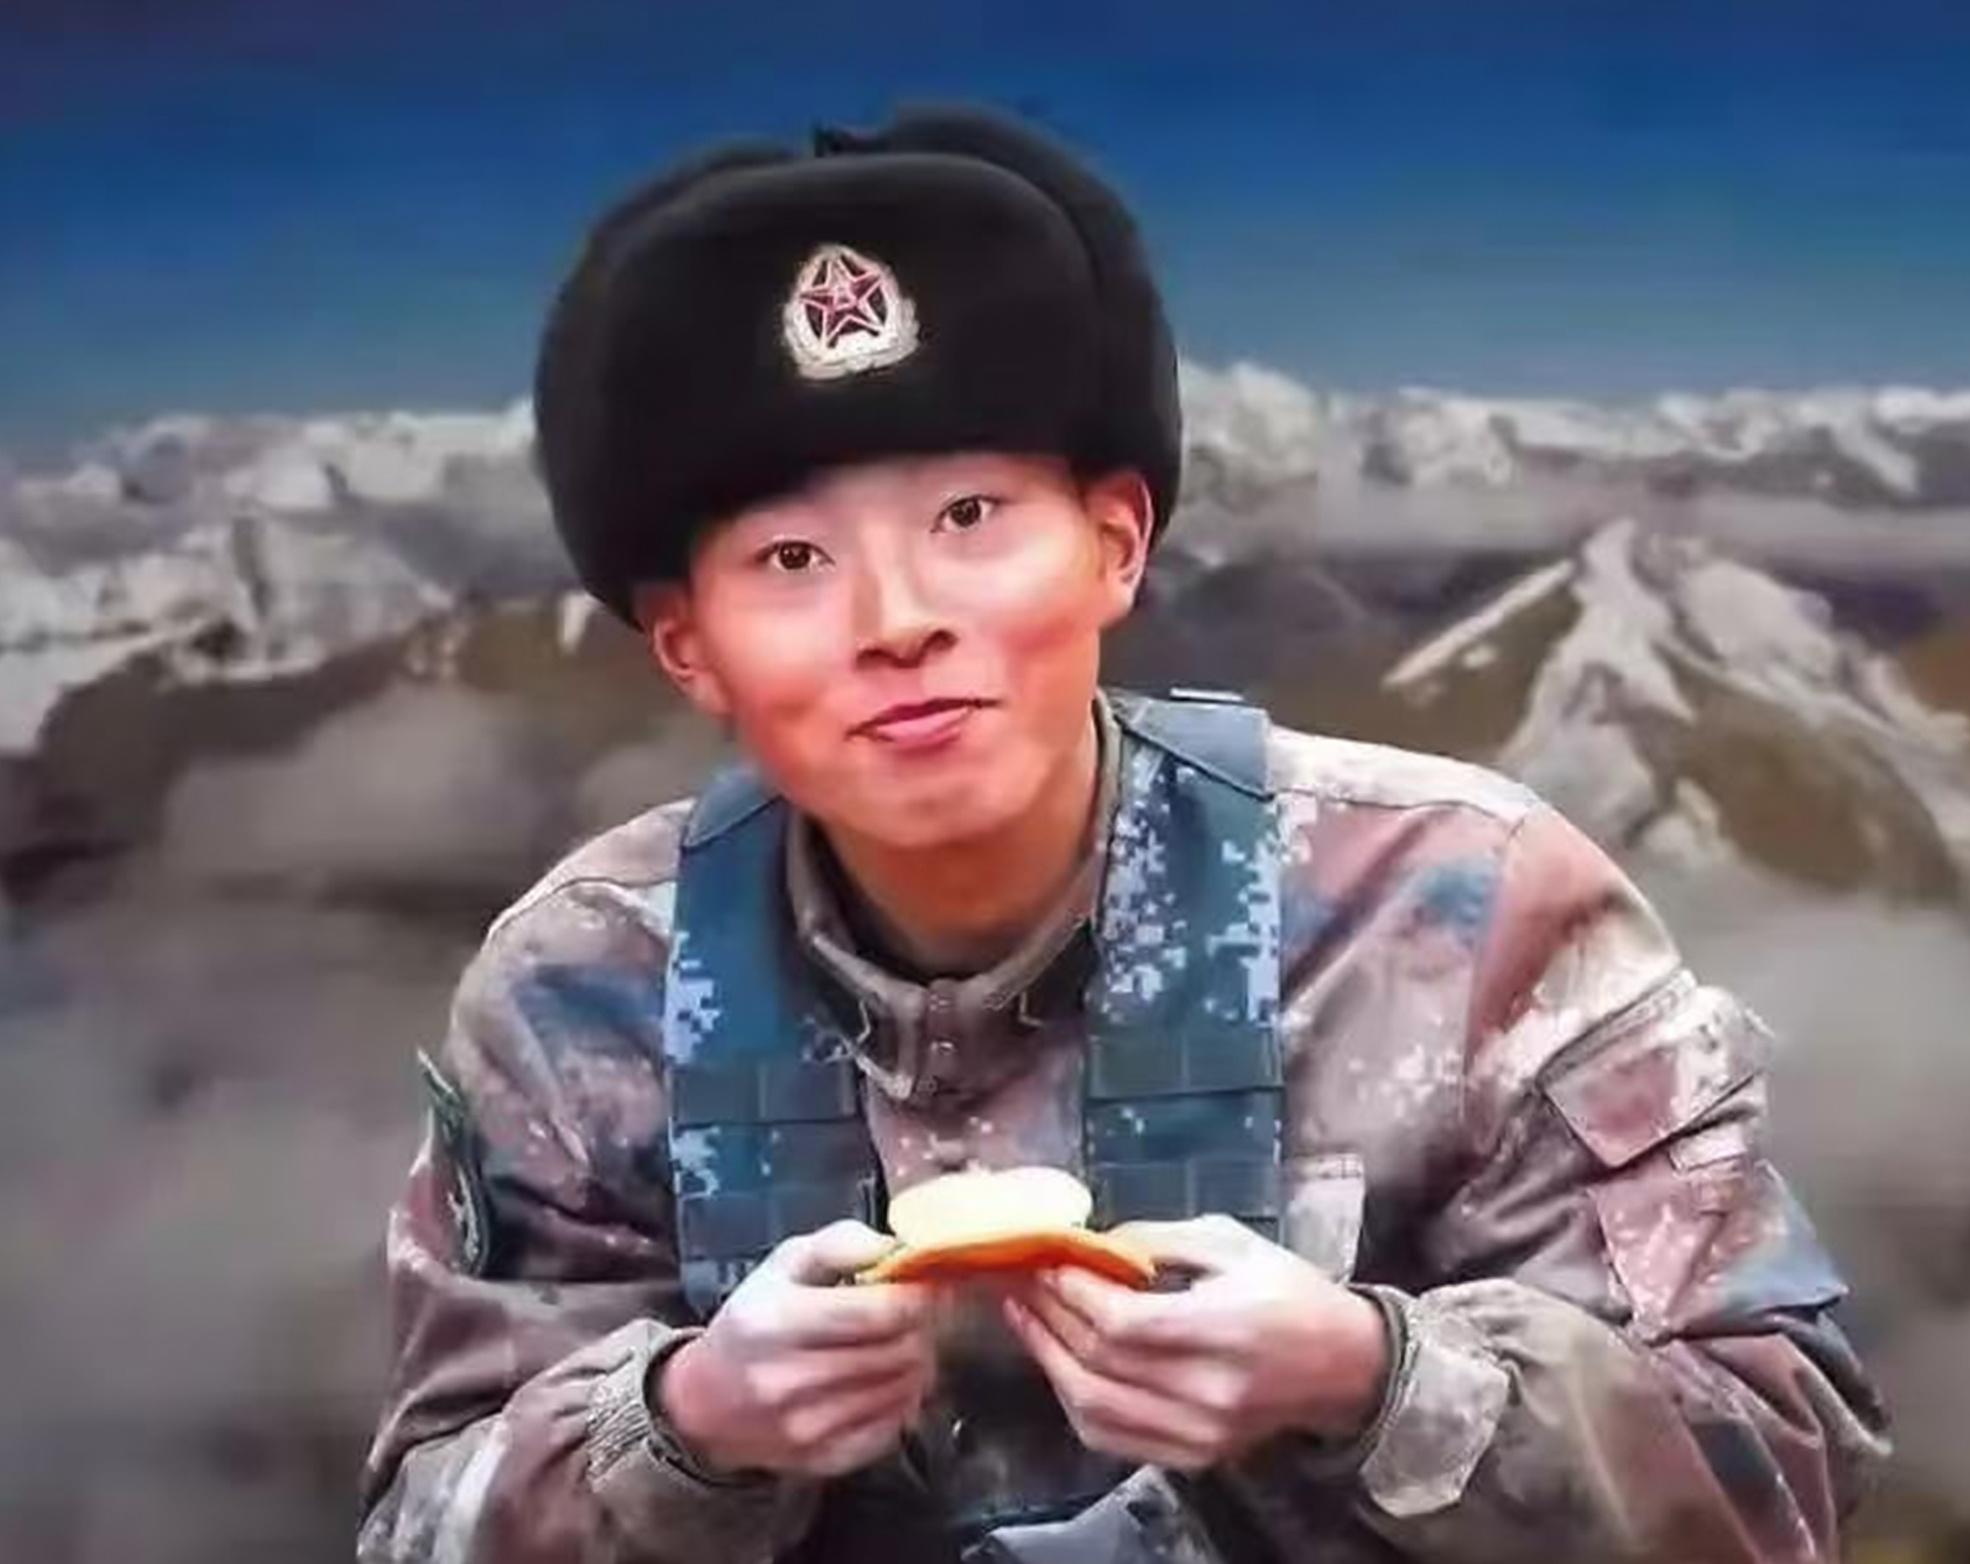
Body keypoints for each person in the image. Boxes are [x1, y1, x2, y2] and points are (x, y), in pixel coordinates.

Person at [357, 104, 1889, 1564]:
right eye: (792, 558)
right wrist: (686, 1429)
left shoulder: (1464, 910)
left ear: (1115, 543)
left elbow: (1778, 1475)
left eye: (969, 518)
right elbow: (421, 1521)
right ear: (689, 647)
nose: (898, 620)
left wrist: (1370, 1381)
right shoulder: (581, 997)